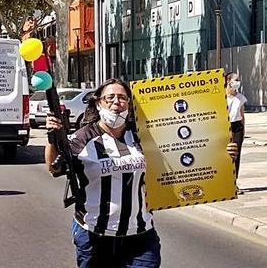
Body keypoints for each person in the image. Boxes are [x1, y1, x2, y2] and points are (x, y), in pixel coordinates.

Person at [45, 78, 238, 268]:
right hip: (94, 235)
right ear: (98, 103)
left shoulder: (143, 136)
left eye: (122, 98)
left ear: (129, 104)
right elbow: (55, 168)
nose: (116, 103)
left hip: (140, 235)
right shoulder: (82, 138)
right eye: (109, 98)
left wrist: (221, 153)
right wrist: (52, 138)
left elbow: (183, 153)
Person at [225, 72, 246, 195]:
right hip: (225, 126)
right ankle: (224, 182)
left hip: (237, 127)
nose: (238, 82)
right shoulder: (222, 96)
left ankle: (234, 183)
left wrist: (243, 130)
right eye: (235, 80)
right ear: (229, 81)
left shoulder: (241, 98)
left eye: (238, 80)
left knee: (235, 155)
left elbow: (242, 115)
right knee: (224, 155)